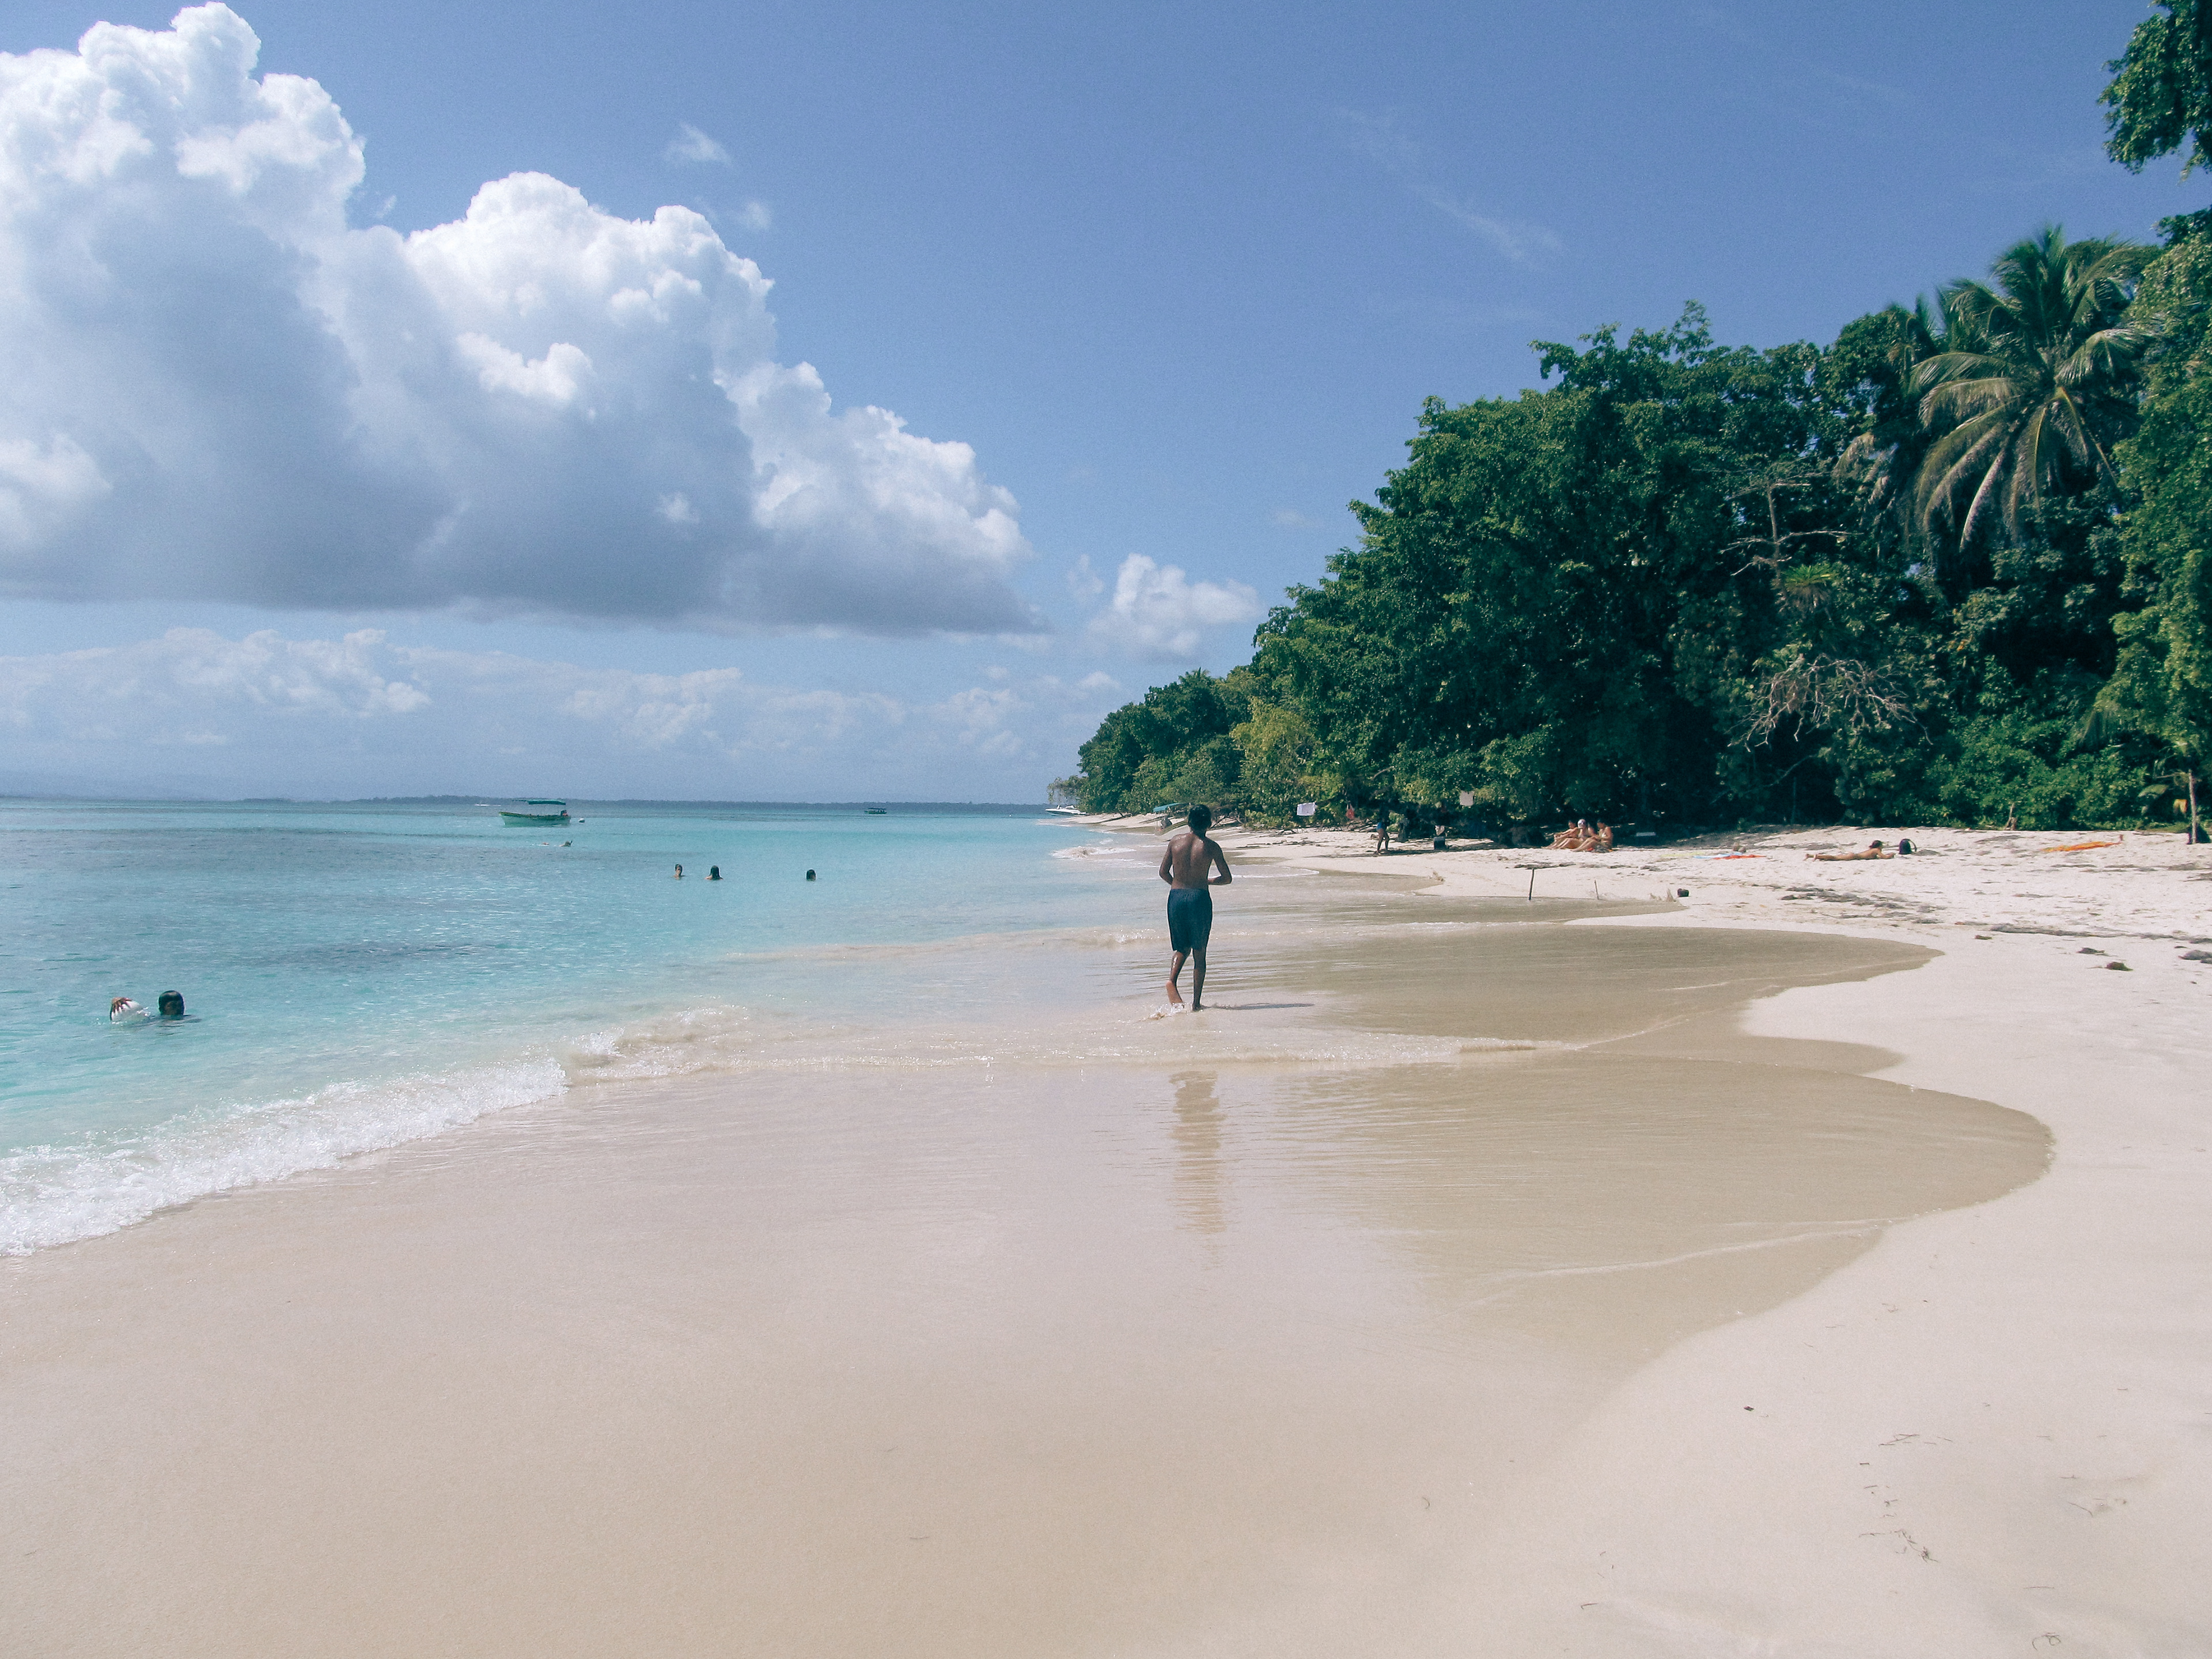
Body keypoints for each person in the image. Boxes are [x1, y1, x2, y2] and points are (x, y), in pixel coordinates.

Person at [1159, 803, 1232, 1010]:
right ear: (1209, 823)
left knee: (1182, 948)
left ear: (1189, 822)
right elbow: (1227, 879)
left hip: (1176, 897)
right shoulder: (1211, 847)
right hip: (1199, 899)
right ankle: (1197, 1004)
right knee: (1200, 952)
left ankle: (1171, 981)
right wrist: (1207, 881)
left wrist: (1177, 884)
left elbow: (1163, 872)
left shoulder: (1175, 842)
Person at [1808, 840, 1895, 862]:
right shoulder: (1876, 850)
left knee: (1835, 857)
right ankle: (1818, 856)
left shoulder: (1872, 850)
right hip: (1853, 857)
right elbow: (1885, 857)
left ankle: (1811, 856)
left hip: (1854, 855)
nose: (1882, 848)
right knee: (1835, 858)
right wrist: (1891, 854)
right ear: (1879, 846)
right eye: (1882, 846)